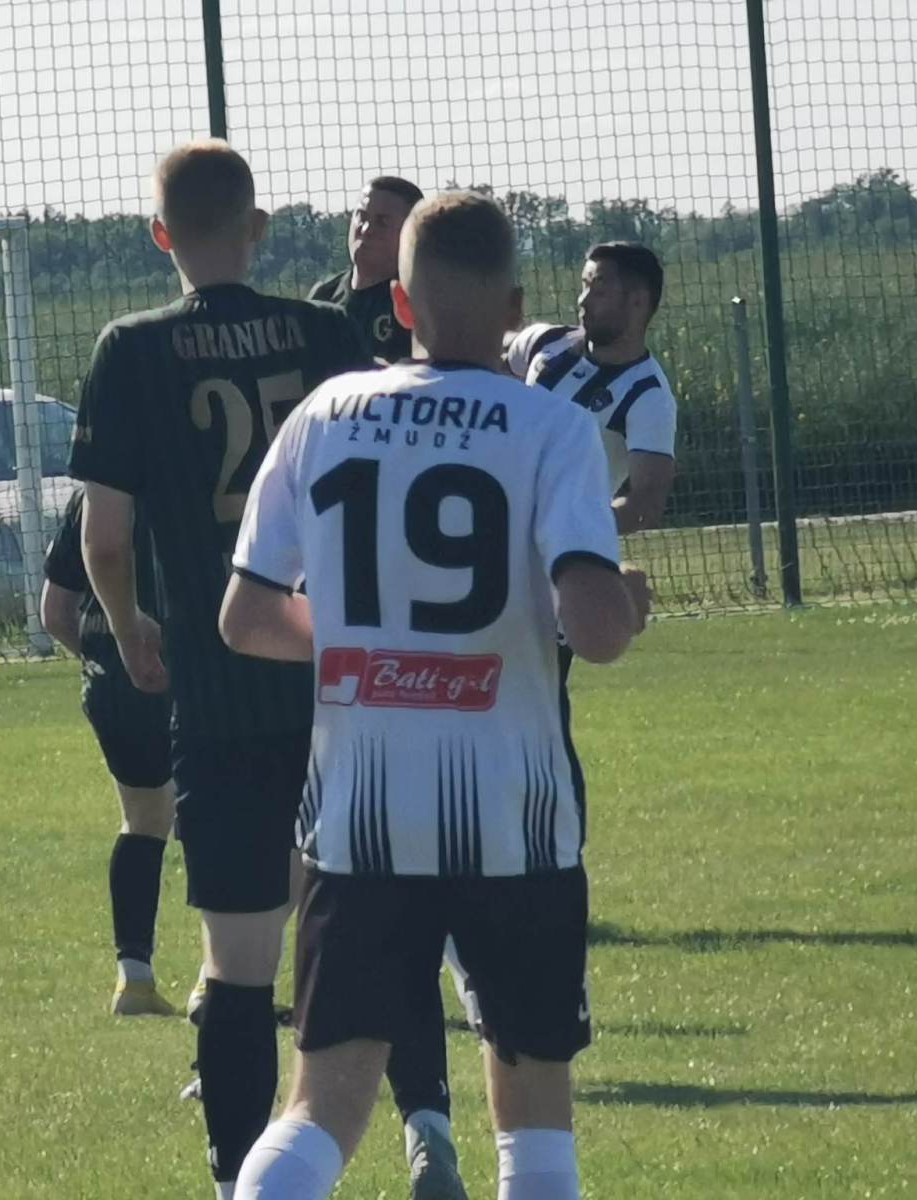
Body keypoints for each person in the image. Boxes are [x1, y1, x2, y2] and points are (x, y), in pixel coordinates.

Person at [219, 191, 651, 1200]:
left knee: (318, 1111)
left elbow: (243, 617)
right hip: (514, 815)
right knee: (536, 1124)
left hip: (362, 815)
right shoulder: (552, 428)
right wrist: (626, 603)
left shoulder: (324, 417)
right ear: (515, 308)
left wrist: (371, 645)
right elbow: (593, 630)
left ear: (402, 306)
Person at [66, 139, 373, 1200]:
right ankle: (427, 1136)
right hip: (340, 686)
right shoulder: (327, 334)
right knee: (361, 940)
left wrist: (129, 628)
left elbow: (105, 538)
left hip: (221, 693)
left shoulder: (132, 350)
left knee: (238, 967)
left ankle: (239, 1180)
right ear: (259, 227)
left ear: (161, 235)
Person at [40, 488, 178, 1017]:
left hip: (110, 683)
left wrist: (109, 657)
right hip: (188, 666)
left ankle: (134, 976)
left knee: (143, 818)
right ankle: (219, 979)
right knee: (222, 817)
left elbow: (55, 611)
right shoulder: (194, 475)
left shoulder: (91, 496)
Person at [505, 242, 678, 532]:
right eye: (584, 286)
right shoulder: (545, 342)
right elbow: (486, 372)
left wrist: (575, 528)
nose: (583, 301)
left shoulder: (648, 397)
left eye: (599, 292)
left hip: (552, 551)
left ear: (637, 302)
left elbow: (645, 506)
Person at [309, 176, 425, 363]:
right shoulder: (324, 296)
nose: (366, 229)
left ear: (410, 232)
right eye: (361, 216)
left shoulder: (416, 302)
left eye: (383, 222)